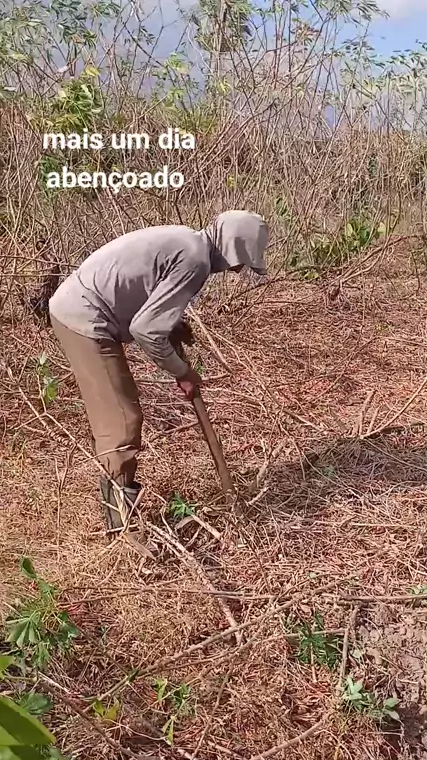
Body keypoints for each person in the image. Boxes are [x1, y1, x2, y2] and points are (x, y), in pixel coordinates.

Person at [49, 210, 269, 535]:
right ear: (233, 249)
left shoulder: (188, 241)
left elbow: (147, 295)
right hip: (83, 317)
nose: (237, 270)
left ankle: (119, 518)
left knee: (121, 418)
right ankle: (121, 528)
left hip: (79, 306)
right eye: (242, 261)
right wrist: (182, 372)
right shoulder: (195, 260)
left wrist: (172, 324)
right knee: (122, 421)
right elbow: (146, 330)